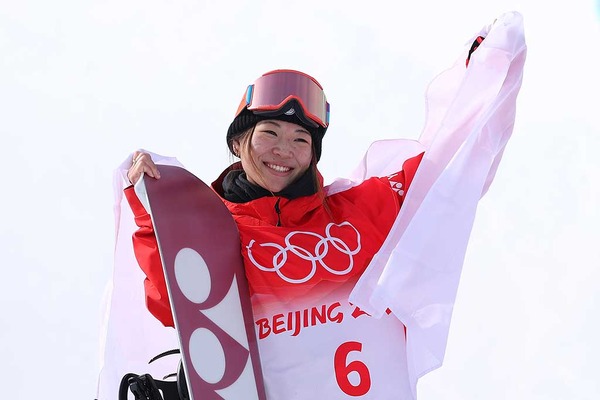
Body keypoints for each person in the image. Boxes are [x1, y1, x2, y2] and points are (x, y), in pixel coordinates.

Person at [96, 11, 526, 400]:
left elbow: (446, 173)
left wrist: (483, 74)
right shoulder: (214, 229)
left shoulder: (359, 210)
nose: (284, 151)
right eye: (269, 133)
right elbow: (175, 305)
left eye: (301, 139)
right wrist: (153, 209)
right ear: (237, 142)